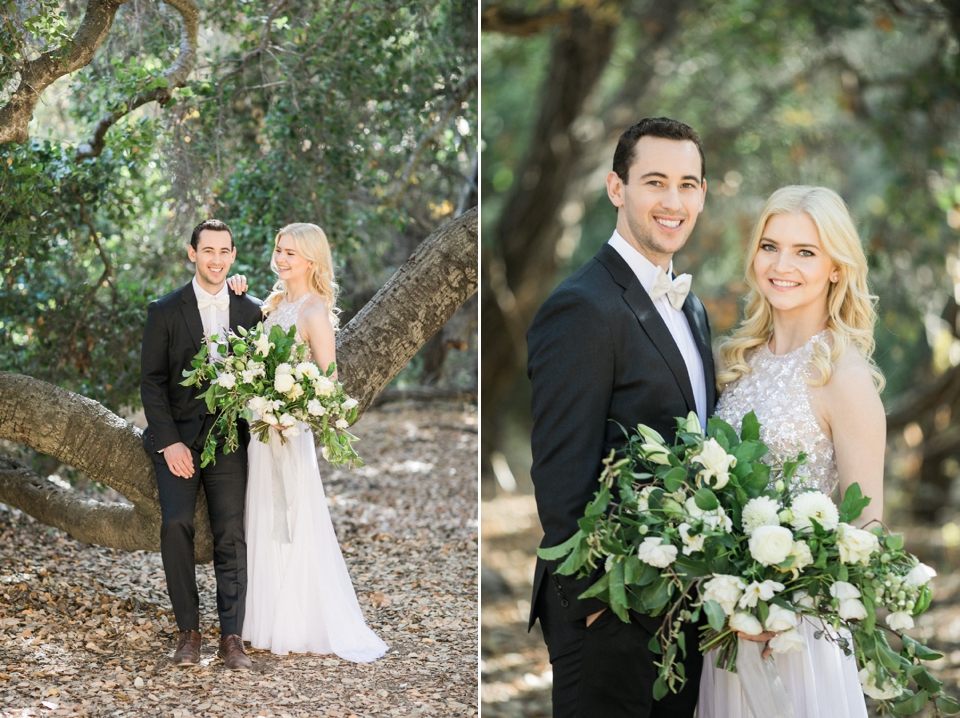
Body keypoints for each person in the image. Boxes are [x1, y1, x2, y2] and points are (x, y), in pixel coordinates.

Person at [526, 117, 715, 718]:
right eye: (654, 182)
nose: (673, 201)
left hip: (683, 608)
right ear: (616, 189)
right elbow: (560, 474)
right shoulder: (582, 306)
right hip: (609, 611)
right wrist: (595, 605)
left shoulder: (694, 310)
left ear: (703, 195)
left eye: (688, 185)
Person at [699, 185, 885, 717]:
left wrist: (784, 605)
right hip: (728, 625)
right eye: (770, 246)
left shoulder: (843, 377)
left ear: (835, 267)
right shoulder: (738, 363)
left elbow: (865, 534)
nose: (782, 265)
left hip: (799, 636)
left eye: (805, 252)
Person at [227, 223, 387, 661]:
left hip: (287, 431)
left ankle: (299, 622)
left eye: (291, 253)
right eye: (279, 249)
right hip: (261, 429)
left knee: (294, 517)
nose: (280, 258)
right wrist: (237, 287)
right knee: (264, 517)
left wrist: (292, 415)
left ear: (311, 260)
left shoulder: (313, 310)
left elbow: (328, 380)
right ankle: (265, 618)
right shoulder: (274, 303)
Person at [140, 219, 264, 670]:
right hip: (177, 439)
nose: (215, 259)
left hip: (228, 438)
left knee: (231, 534)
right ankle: (188, 633)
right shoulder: (165, 310)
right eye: (207, 250)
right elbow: (151, 383)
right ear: (192, 253)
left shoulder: (250, 311)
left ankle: (231, 637)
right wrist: (170, 443)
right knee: (176, 525)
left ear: (232, 255)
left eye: (223, 251)